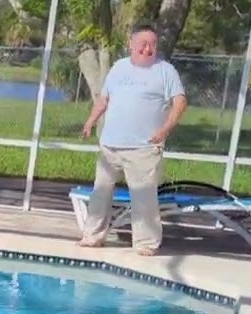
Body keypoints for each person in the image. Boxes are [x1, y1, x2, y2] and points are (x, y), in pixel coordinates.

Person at [79, 23, 188, 256]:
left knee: (144, 198)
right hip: (111, 145)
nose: (148, 49)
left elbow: (180, 103)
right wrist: (90, 121)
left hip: (144, 147)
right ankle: (93, 236)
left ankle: (146, 243)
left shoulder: (165, 71)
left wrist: (165, 129)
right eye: (143, 44)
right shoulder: (118, 68)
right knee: (101, 193)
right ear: (131, 44)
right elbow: (104, 100)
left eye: (153, 45)